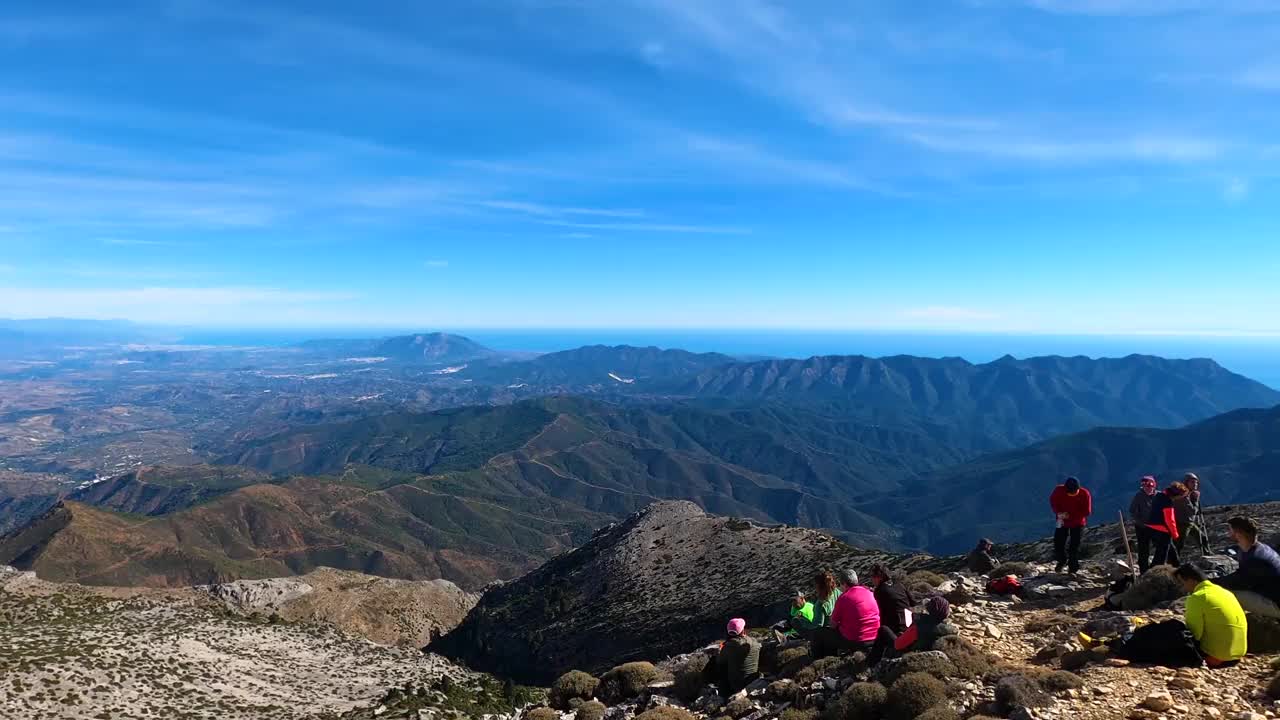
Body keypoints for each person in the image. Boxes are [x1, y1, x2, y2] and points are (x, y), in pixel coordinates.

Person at [813, 568, 895, 664]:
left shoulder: (844, 598)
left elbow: (833, 625)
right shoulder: (870, 593)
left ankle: (821, 661)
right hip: (876, 638)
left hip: (857, 641)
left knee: (820, 633)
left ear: (844, 584)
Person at [1178, 564, 1247, 667]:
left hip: (1215, 657)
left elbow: (1194, 634)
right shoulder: (1226, 593)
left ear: (1191, 580)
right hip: (1237, 655)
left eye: (1182, 583)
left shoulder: (1197, 597)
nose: (1182, 588)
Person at [1217, 516, 1280, 619]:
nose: (1229, 533)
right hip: (1271, 594)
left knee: (1227, 594)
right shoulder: (1260, 548)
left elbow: (1240, 581)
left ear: (1238, 534)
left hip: (1277, 605)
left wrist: (1211, 581)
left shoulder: (1255, 558)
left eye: (1230, 530)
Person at [1049, 476, 1092, 574]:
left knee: (1074, 545)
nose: (1071, 494)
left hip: (1078, 522)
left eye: (1074, 492)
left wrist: (1070, 515)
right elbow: (1053, 501)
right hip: (1062, 520)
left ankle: (1073, 567)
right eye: (1069, 492)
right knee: (1058, 543)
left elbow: (1087, 512)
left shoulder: (1085, 494)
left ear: (1078, 488)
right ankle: (1062, 561)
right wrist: (1058, 512)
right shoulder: (1059, 490)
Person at [710, 618, 761, 694]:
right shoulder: (754, 641)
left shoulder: (729, 646)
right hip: (754, 681)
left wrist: (719, 651)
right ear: (743, 631)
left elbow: (720, 661)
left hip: (737, 686)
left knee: (719, 666)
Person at [1147, 482, 1188, 568]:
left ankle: (1176, 566)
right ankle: (1154, 573)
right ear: (1177, 494)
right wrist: (1175, 534)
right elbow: (1170, 520)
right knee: (1161, 556)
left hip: (1151, 528)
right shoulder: (1168, 502)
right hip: (1162, 530)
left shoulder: (1158, 496)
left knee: (1171, 552)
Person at [868, 563, 916, 634]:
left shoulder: (880, 590)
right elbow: (913, 602)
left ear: (880, 577)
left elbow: (876, 612)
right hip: (909, 625)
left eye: (873, 576)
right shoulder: (899, 584)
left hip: (894, 629)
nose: (871, 579)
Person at [1129, 476, 1158, 574]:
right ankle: (1144, 572)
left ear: (1154, 485)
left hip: (1156, 527)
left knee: (1160, 547)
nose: (1148, 488)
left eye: (1150, 486)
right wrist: (1141, 523)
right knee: (1143, 551)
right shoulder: (1139, 496)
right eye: (1145, 486)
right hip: (1142, 527)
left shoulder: (1159, 495)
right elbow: (1132, 511)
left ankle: (1155, 568)